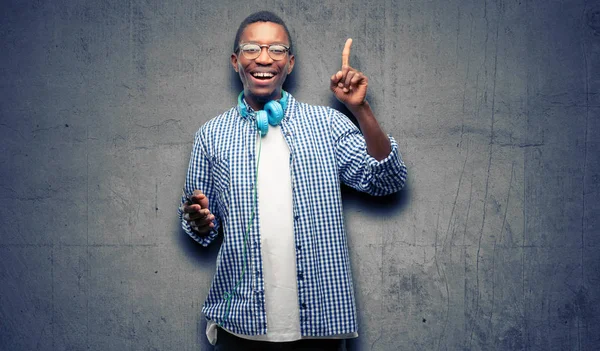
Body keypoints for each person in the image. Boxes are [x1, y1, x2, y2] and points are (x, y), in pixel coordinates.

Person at [178, 11, 407, 350]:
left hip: (319, 325)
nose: (264, 58)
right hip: (240, 324)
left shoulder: (326, 124)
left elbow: (387, 179)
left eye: (277, 50)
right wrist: (197, 219)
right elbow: (200, 227)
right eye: (252, 48)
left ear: (290, 63)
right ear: (235, 61)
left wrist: (361, 110)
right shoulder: (211, 135)